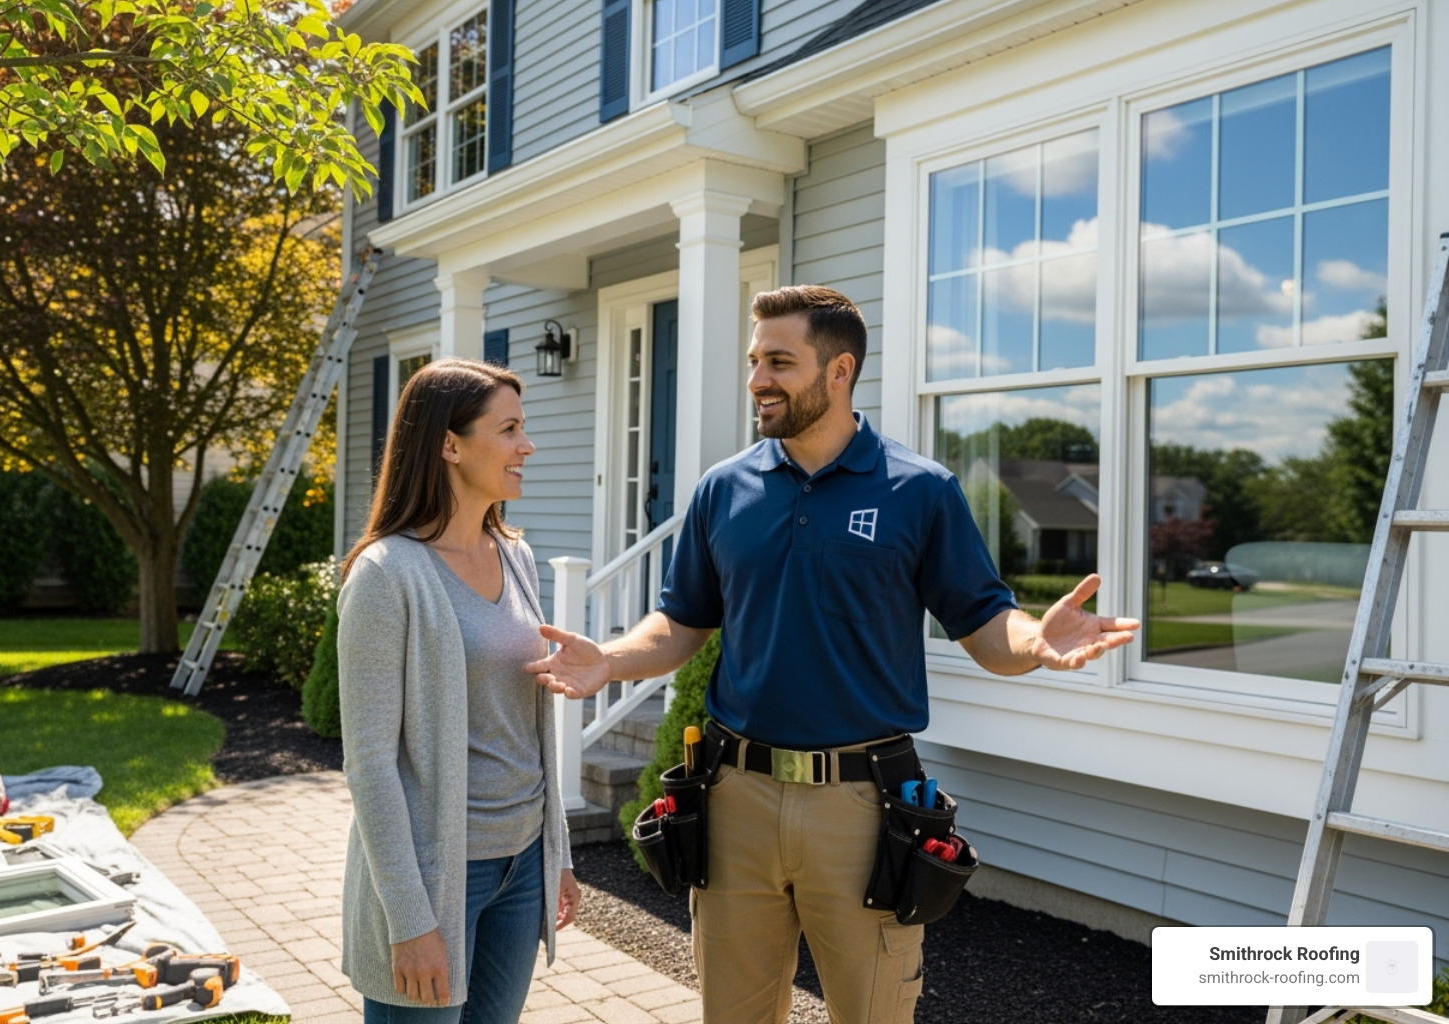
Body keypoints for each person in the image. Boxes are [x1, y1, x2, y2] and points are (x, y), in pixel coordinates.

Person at [525, 286, 1139, 1024]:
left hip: (862, 806)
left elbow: (984, 626)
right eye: (755, 361)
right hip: (734, 799)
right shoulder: (723, 490)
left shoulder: (921, 491)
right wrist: (612, 661)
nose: (757, 379)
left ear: (839, 369)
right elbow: (683, 624)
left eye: (779, 361)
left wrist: (1035, 641)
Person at [337, 358, 580, 1024]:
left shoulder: (517, 557)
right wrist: (409, 918)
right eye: (509, 430)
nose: (526, 446)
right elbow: (370, 764)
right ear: (450, 444)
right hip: (437, 874)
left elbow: (531, 726)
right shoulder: (387, 575)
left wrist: (553, 852)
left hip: (522, 864)